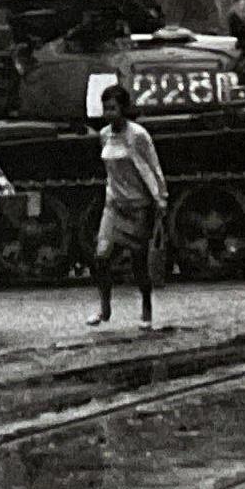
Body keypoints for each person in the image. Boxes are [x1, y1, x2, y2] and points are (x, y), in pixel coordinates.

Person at [90, 85, 168, 330]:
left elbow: (153, 166)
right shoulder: (104, 135)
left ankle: (146, 308)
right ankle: (104, 308)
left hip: (138, 206)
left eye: (113, 108)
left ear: (123, 109)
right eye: (106, 108)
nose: (108, 113)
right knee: (101, 255)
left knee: (138, 263)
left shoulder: (138, 135)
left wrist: (160, 197)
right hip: (114, 204)